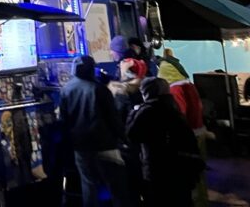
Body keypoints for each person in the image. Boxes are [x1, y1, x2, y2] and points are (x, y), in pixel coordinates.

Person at [59, 54, 131, 207]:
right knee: (117, 186)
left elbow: (63, 121)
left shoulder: (66, 89)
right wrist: (124, 138)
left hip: (81, 147)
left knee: (89, 186)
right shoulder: (99, 89)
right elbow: (112, 117)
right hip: (105, 145)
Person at [126, 77, 203, 207]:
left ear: (147, 92)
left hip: (156, 169)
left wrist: (133, 113)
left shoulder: (146, 111)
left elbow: (131, 134)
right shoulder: (173, 106)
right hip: (180, 169)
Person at [158, 55, 208, 207]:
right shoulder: (189, 85)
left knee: (190, 176)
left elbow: (180, 114)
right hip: (198, 131)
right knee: (199, 174)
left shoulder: (175, 89)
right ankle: (202, 201)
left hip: (189, 137)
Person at [109, 58, 147, 200]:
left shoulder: (120, 91)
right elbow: (123, 121)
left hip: (125, 146)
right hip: (126, 148)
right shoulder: (123, 95)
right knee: (131, 186)